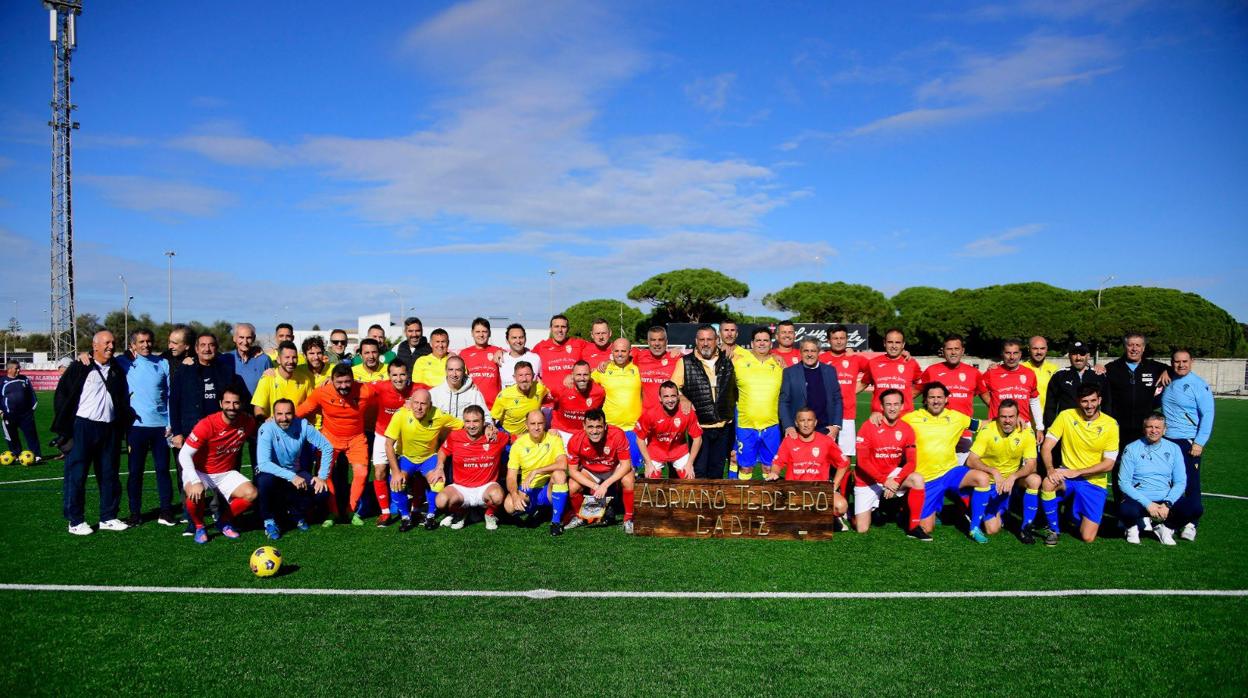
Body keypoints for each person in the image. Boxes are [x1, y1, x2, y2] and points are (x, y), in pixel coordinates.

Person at [52, 330, 133, 535]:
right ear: (94, 345)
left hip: (109, 428)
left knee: (109, 475)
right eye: (106, 343)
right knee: (77, 475)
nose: (111, 346)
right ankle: (75, 520)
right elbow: (62, 396)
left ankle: (108, 517)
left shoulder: (116, 368)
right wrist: (66, 428)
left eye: (113, 343)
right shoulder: (80, 366)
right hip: (82, 427)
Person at [902, 382, 990, 539]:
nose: (936, 401)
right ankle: (924, 508)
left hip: (950, 472)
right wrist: (878, 415)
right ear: (925, 400)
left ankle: (974, 526)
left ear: (946, 399)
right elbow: (891, 423)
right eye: (932, 397)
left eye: (939, 397)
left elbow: (983, 425)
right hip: (927, 480)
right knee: (925, 528)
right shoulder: (911, 418)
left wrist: (1013, 420)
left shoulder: (956, 417)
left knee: (982, 478)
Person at [295, 364, 376, 525]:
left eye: (347, 382)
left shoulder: (365, 390)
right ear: (331, 380)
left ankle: (351, 510)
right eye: (339, 382)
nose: (344, 386)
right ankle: (332, 512)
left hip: (356, 439)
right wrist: (276, 420)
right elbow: (302, 410)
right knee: (325, 473)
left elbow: (387, 391)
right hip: (329, 438)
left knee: (361, 473)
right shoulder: (322, 392)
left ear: (353, 380)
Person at [1040, 384, 1120, 545]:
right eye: (1084, 401)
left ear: (1099, 400)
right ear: (1078, 401)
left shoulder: (1111, 424)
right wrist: (1050, 469)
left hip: (1093, 481)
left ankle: (1072, 512)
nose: (1089, 405)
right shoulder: (1066, 416)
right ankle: (1054, 529)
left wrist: (1078, 472)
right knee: (1048, 482)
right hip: (1067, 475)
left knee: (1087, 537)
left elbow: (1109, 464)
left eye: (1093, 400)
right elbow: (1046, 447)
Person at [178, 386, 258, 544]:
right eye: (227, 402)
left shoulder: (247, 422)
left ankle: (223, 521)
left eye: (236, 403)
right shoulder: (207, 424)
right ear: (221, 404)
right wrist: (194, 481)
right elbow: (184, 454)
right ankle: (200, 526)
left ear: (241, 404)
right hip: (200, 471)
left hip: (225, 472)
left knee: (252, 493)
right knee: (196, 495)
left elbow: (260, 435)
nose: (232, 407)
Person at [114, 329, 175, 526]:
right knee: (135, 471)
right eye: (141, 342)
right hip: (136, 427)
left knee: (163, 470)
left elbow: (169, 396)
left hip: (161, 428)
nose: (146, 345)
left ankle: (166, 511)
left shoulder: (163, 363)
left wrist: (170, 423)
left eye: (148, 341)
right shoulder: (124, 363)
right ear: (133, 345)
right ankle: (135, 513)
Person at [964, 399, 1042, 544]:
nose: (1007, 421)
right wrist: (993, 471)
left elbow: (1031, 464)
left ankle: (1026, 528)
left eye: (1011, 417)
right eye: (1003, 417)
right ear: (997, 416)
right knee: (992, 530)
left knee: (1035, 479)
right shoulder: (988, 430)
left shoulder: (1026, 432)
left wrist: (1014, 477)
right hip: (989, 483)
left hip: (1011, 482)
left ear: (1018, 416)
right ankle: (978, 508)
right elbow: (971, 460)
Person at [384, 389, 463, 532]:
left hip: (429, 457)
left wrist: (488, 427)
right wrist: (396, 472)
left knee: (438, 483)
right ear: (410, 402)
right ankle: (405, 517)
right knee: (396, 483)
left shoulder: (439, 414)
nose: (419, 407)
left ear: (430, 405)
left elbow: (463, 425)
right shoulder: (401, 414)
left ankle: (430, 515)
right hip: (406, 457)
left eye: (423, 404)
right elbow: (388, 444)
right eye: (416, 403)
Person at [255, 398, 332, 540]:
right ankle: (269, 520)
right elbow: (264, 464)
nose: (284, 418)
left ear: (294, 413)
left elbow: (327, 447)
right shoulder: (266, 429)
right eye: (279, 414)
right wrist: (292, 477)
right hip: (271, 472)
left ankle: (296, 512)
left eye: (288, 414)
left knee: (322, 491)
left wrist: (321, 476)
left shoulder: (302, 425)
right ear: (273, 414)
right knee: (265, 481)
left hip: (294, 471)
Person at [853, 389, 925, 538]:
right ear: (882, 406)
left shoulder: (907, 429)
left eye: (896, 404)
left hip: (891, 476)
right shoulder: (868, 426)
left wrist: (896, 481)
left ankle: (913, 527)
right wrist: (884, 481)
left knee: (917, 479)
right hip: (868, 480)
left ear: (902, 406)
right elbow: (862, 462)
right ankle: (858, 509)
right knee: (862, 529)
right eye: (888, 404)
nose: (892, 408)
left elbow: (911, 462)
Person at [1160, 348, 1215, 541]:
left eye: (1185, 361)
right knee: (1169, 483)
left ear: (1192, 362)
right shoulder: (1167, 379)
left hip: (1188, 442)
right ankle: (1172, 519)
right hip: (1166, 441)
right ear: (1171, 362)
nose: (1181, 365)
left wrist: (1199, 442)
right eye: (1176, 362)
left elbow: (1207, 414)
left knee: (1191, 484)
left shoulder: (1198, 385)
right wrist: (1166, 371)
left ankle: (1192, 524)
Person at [672, 324, 737, 479]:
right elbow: (673, 387)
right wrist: (682, 397)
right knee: (699, 471)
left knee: (717, 471)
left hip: (724, 426)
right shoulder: (685, 362)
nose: (705, 343)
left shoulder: (729, 359)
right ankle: (700, 504)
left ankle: (714, 503)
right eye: (701, 339)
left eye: (709, 339)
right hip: (699, 428)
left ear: (717, 341)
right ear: (696, 341)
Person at [431, 405, 507, 530]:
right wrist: (439, 467)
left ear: (483, 422)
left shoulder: (496, 437)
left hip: (486, 487)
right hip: (461, 488)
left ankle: (489, 514)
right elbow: (443, 451)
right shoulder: (455, 436)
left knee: (497, 496)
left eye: (476, 421)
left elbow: (517, 439)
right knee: (440, 501)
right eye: (467, 421)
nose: (471, 425)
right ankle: (461, 512)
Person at [1118, 413, 1189, 545]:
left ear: (1164, 430)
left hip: (1164, 499)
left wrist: (1168, 503)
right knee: (1126, 510)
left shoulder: (1174, 448)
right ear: (1144, 429)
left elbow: (1180, 481)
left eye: (1158, 427)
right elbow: (1124, 483)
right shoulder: (1132, 448)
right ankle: (1132, 528)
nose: (1154, 430)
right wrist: (1148, 504)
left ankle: (1166, 529)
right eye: (1149, 427)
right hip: (1141, 497)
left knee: (1193, 508)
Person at [565, 409, 635, 533]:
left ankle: (629, 518)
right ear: (584, 426)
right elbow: (572, 471)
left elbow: (626, 465)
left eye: (599, 427)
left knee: (629, 479)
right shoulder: (575, 440)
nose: (594, 431)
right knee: (572, 485)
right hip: (591, 471)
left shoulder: (617, 434)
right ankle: (580, 517)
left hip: (614, 468)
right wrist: (595, 486)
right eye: (590, 427)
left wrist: (605, 485)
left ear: (605, 426)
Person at [504, 410, 572, 536]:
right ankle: (534, 510)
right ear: (526, 424)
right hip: (529, 489)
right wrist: (514, 495)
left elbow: (563, 464)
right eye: (533, 423)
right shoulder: (518, 445)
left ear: (545, 423)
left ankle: (555, 522)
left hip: (548, 489)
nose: (536, 427)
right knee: (509, 505)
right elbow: (511, 477)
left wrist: (536, 471)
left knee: (560, 474)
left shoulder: (554, 439)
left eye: (540, 423)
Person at [772, 408, 849, 518]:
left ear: (815, 422)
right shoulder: (789, 441)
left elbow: (844, 463)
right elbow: (778, 463)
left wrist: (834, 486)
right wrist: (774, 472)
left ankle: (831, 519)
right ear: (796, 423)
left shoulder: (826, 441)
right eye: (802, 420)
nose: (806, 424)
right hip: (795, 490)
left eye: (809, 420)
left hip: (819, 490)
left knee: (841, 506)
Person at [1103, 333, 1170, 457]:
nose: (1134, 349)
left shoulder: (1154, 367)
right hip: (1119, 427)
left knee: (1144, 463)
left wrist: (1167, 371)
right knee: (1119, 464)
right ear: (1125, 347)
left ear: (1143, 348)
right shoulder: (1111, 368)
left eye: (1138, 345)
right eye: (1130, 345)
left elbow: (1175, 368)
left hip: (1145, 428)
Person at [733, 327, 784, 480]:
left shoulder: (779, 364)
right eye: (758, 340)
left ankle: (767, 503)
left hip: (772, 425)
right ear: (752, 343)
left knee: (769, 468)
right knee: (746, 468)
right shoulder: (738, 362)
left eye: (765, 340)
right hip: (746, 425)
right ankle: (744, 500)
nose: (762, 343)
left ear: (771, 343)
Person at [920, 335, 981, 464]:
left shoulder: (974, 373)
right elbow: (912, 394)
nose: (953, 352)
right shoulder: (931, 371)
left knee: (961, 475)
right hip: (937, 433)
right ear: (943, 351)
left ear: (962, 351)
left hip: (964, 434)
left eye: (956, 349)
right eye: (949, 349)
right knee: (936, 471)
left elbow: (989, 399)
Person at [367, 361, 414, 525]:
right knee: (379, 471)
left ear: (408, 375)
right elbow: (356, 386)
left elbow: (439, 390)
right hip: (383, 435)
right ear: (389, 376)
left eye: (402, 374)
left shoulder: (417, 388)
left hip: (405, 436)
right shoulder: (380, 387)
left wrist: (415, 400)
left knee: (409, 472)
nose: (399, 378)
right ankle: (385, 512)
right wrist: (330, 379)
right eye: (394, 375)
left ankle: (413, 508)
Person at [590, 337, 645, 468]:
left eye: (623, 351)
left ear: (630, 352)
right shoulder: (603, 370)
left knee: (633, 470)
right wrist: (570, 377)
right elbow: (584, 380)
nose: (620, 354)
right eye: (616, 351)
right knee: (609, 468)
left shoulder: (638, 370)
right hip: (610, 429)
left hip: (634, 429)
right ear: (612, 351)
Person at [819, 324, 868, 461]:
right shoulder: (821, 359)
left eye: (842, 338)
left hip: (847, 415)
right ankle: (824, 482)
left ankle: (842, 483)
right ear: (828, 341)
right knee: (823, 454)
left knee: (845, 456)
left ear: (847, 339)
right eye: (835, 338)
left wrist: (855, 389)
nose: (839, 341)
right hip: (825, 415)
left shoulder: (855, 358)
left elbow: (873, 371)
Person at [779, 338, 842, 443]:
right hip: (798, 431)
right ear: (800, 352)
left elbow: (837, 399)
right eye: (806, 351)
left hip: (826, 430)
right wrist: (789, 426)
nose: (809, 354)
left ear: (818, 352)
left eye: (813, 351)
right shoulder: (789, 372)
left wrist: (836, 426)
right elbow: (784, 402)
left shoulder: (830, 371)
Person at [634, 381, 702, 479]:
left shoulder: (687, 412)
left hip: (679, 451)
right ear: (660, 398)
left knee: (689, 479)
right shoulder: (650, 414)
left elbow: (698, 438)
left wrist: (690, 463)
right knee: (652, 480)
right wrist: (648, 463)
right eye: (666, 396)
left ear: (678, 396)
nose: (670, 400)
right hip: (655, 452)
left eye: (673, 396)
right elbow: (640, 439)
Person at [977, 339, 1043, 432]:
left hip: (1023, 426)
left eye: (1015, 353)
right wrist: (991, 403)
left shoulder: (1029, 374)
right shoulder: (992, 373)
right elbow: (979, 387)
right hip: (998, 425)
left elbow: (1034, 401)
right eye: (1008, 353)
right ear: (1002, 354)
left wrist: (1039, 427)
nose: (1012, 357)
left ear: (1020, 354)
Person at [1043, 341, 1111, 430]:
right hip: (1068, 427)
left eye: (1082, 354)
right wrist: (1051, 428)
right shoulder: (1059, 375)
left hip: (1093, 427)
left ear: (1088, 356)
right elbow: (1050, 406)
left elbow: (1107, 404)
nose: (1078, 358)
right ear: (1069, 356)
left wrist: (1106, 426)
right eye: (1074, 354)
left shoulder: (1099, 375)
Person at [861, 328, 922, 416]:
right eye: (890, 342)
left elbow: (922, 384)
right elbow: (863, 384)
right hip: (879, 417)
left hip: (905, 417)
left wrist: (908, 396)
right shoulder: (873, 363)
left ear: (903, 344)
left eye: (897, 342)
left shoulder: (911, 363)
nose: (894, 346)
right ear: (884, 343)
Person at [251, 341, 315, 420]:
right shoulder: (267, 378)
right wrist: (266, 421)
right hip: (274, 428)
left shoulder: (305, 380)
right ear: (278, 359)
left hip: (297, 428)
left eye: (294, 357)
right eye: (287, 357)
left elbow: (311, 406)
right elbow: (258, 409)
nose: (291, 361)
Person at [548, 360, 604, 447]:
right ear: (572, 375)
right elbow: (542, 401)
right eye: (578, 375)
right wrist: (551, 429)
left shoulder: (599, 392)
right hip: (561, 432)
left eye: (585, 375)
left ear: (590, 375)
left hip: (585, 433)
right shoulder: (561, 389)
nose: (582, 378)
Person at [490, 362, 550, 442]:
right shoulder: (505, 395)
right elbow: (492, 418)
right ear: (514, 377)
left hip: (531, 435)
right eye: (520, 375)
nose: (524, 379)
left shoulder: (540, 388)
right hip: (509, 436)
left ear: (533, 376)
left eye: (528, 375)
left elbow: (552, 395)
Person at [1, 359, 45, 462]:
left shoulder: (24, 379)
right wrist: (1, 411)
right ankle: (15, 455)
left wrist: (32, 409)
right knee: (12, 436)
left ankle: (36, 455)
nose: (19, 370)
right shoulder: (2, 382)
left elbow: (32, 395)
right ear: (10, 369)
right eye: (17, 368)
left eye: (19, 368)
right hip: (8, 415)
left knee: (31, 435)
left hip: (26, 415)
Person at [631, 326, 682, 409]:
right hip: (646, 416)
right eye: (653, 340)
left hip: (669, 415)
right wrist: (608, 362)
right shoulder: (639, 356)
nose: (657, 344)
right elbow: (619, 355)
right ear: (648, 342)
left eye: (660, 340)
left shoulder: (676, 358)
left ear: (666, 342)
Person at [532, 314, 586, 392]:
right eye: (556, 326)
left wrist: (573, 376)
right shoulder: (541, 347)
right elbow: (525, 359)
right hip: (549, 401)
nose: (560, 330)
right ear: (551, 329)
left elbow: (599, 351)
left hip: (572, 399)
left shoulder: (579, 344)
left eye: (563, 327)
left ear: (568, 329)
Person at [224, 322, 272, 409]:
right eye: (241, 337)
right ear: (234, 338)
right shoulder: (226, 359)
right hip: (233, 411)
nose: (245, 342)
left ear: (253, 339)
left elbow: (272, 386)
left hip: (257, 411)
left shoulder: (263, 360)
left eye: (249, 338)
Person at [458, 317, 504, 409]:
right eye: (478, 332)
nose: (481, 335)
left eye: (484, 331)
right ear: (472, 333)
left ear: (489, 333)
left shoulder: (497, 351)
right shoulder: (464, 353)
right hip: (471, 406)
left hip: (493, 407)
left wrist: (502, 351)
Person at [430, 355, 488, 420]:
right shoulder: (434, 393)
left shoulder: (473, 392)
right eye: (451, 369)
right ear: (446, 371)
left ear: (464, 372)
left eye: (458, 370)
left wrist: (488, 427)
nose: (454, 374)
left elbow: (486, 416)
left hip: (466, 430)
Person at [500, 324, 542, 389]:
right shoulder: (500, 359)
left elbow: (542, 381)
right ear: (507, 340)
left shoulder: (535, 359)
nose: (518, 341)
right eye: (514, 338)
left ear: (525, 339)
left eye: (521, 337)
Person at [1025, 336, 1060, 414]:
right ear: (1029, 349)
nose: (1039, 352)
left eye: (1042, 348)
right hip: (1027, 421)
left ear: (1046, 349)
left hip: (1049, 419)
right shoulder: (1021, 369)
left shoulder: (1055, 370)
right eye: (1035, 348)